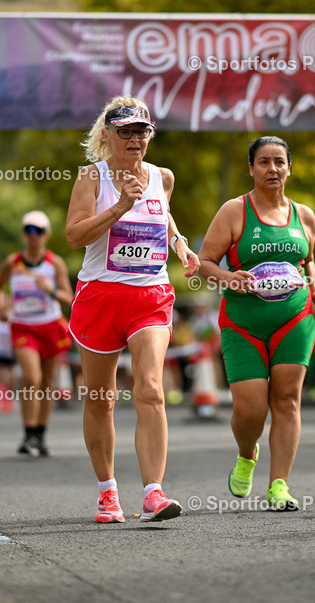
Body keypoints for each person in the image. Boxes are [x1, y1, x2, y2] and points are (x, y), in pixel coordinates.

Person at [65, 97, 199, 523]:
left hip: (150, 295)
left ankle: (154, 493)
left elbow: (166, 213)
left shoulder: (163, 177)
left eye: (141, 131)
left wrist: (179, 243)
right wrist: (120, 206)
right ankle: (107, 492)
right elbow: (73, 236)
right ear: (107, 136)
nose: (134, 139)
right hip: (101, 295)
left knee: (151, 388)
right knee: (101, 400)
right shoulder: (92, 177)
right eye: (124, 131)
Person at [197, 135, 315, 513]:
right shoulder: (234, 211)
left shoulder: (304, 216)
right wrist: (229, 278)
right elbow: (203, 262)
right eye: (263, 162)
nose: (272, 169)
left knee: (287, 400)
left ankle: (279, 486)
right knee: (250, 410)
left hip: (295, 318)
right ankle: (246, 454)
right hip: (243, 324)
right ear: (251, 168)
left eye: (279, 161)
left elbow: (306, 261)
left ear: (289, 167)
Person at [0, 210, 73, 457]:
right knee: (31, 377)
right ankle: (28, 435)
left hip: (49, 325)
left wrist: (49, 289)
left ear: (46, 234)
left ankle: (40, 434)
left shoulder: (54, 263)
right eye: (29, 230)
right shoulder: (12, 262)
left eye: (38, 231)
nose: (33, 235)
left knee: (48, 382)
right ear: (24, 234)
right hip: (23, 326)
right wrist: (0, 306)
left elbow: (69, 298)